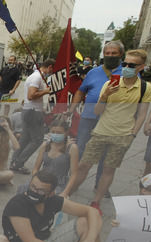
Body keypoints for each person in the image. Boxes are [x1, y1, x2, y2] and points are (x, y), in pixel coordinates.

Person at [72, 49, 151, 216]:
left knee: (109, 169)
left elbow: (142, 114)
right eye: (125, 64)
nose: (126, 67)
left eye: (131, 65)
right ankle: (67, 194)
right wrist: (105, 96)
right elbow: (97, 110)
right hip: (101, 131)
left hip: (123, 135)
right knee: (83, 165)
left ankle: (96, 201)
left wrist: (132, 135)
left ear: (141, 67)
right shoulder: (110, 83)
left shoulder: (145, 88)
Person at [65, 41, 125, 195]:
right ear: (103, 54)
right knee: (80, 148)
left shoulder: (127, 72)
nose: (110, 56)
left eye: (114, 53)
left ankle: (100, 185)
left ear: (121, 55)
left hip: (111, 121)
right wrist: (71, 109)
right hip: (89, 117)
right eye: (107, 53)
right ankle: (73, 181)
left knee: (106, 153)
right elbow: (80, 91)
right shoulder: (93, 72)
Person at [9, 59, 55, 174]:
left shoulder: (34, 76)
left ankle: (14, 161)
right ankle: (19, 162)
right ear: (50, 67)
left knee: (26, 138)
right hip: (33, 111)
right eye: (53, 70)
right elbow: (31, 95)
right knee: (37, 139)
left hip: (29, 110)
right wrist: (46, 92)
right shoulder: (37, 78)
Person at [17, 119, 78, 197]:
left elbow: (73, 174)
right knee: (23, 189)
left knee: (49, 197)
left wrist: (65, 192)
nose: (55, 134)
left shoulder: (72, 148)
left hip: (59, 183)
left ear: (66, 133)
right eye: (53, 132)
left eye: (59, 133)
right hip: (42, 179)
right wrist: (35, 180)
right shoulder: (45, 145)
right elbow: (36, 168)